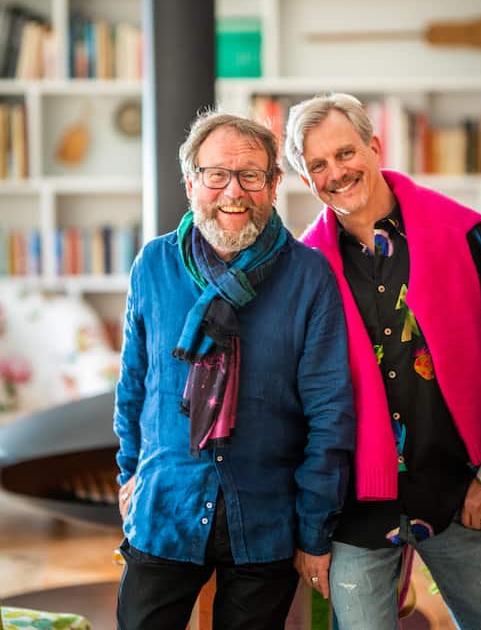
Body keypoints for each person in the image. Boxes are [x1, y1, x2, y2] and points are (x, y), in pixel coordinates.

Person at [284, 92, 481, 630]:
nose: (337, 172)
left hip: (457, 488)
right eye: (318, 165)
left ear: (374, 147)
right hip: (354, 507)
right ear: (307, 181)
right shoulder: (304, 271)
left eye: (346, 152)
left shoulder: (460, 232)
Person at [114, 111, 355, 630]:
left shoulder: (309, 276)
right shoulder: (153, 265)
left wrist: (314, 529)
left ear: (273, 184)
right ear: (191, 183)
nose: (233, 192)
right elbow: (134, 383)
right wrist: (129, 470)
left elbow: (330, 411)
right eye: (216, 175)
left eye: (250, 176)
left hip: (265, 516)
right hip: (164, 509)